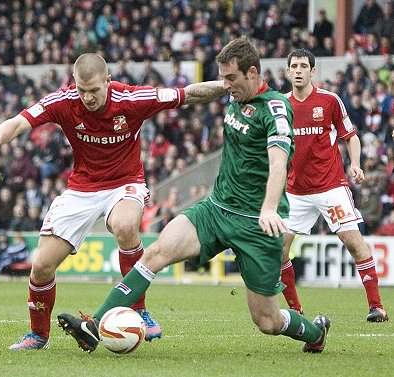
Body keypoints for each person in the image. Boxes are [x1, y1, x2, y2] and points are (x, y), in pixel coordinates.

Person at [57, 37, 330, 355]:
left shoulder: (275, 108)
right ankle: (94, 325)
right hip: (216, 209)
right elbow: (199, 94)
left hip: (257, 223)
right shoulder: (235, 97)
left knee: (267, 321)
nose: (225, 86)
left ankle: (314, 332)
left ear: (252, 73)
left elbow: (279, 161)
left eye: (231, 79)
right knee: (156, 252)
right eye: (222, 78)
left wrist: (270, 208)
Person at [0, 53, 227, 350]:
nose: (88, 97)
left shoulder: (131, 99)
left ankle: (138, 309)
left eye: (94, 90)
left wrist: (229, 84)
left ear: (108, 81)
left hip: (125, 183)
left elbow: (189, 94)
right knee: (41, 266)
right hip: (81, 188)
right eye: (82, 90)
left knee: (124, 225)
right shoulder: (65, 101)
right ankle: (38, 335)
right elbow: (19, 122)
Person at [280, 48, 388, 322]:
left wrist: (355, 163)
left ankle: (377, 306)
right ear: (288, 71)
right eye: (295, 66)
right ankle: (296, 312)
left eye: (304, 65)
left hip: (331, 186)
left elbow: (350, 135)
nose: (299, 70)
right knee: (278, 251)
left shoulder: (329, 101)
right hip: (295, 191)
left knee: (354, 242)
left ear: (313, 71)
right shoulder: (280, 105)